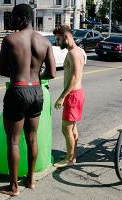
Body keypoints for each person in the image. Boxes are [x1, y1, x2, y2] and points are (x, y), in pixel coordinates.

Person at [0, 4, 56, 196]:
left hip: (18, 91)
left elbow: (2, 70)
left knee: (13, 141)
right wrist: (36, 75)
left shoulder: (10, 40)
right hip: (37, 91)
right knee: (32, 138)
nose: (11, 21)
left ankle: (14, 187)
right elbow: (52, 73)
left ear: (22, 18)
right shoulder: (45, 42)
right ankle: (31, 180)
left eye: (13, 17)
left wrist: (17, 73)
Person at [53, 25, 87, 168]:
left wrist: (62, 97)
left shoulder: (73, 53)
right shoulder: (78, 50)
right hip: (77, 94)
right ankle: (72, 155)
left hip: (73, 95)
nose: (57, 42)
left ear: (66, 38)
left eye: (58, 39)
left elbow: (74, 77)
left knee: (66, 129)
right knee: (72, 128)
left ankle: (69, 159)